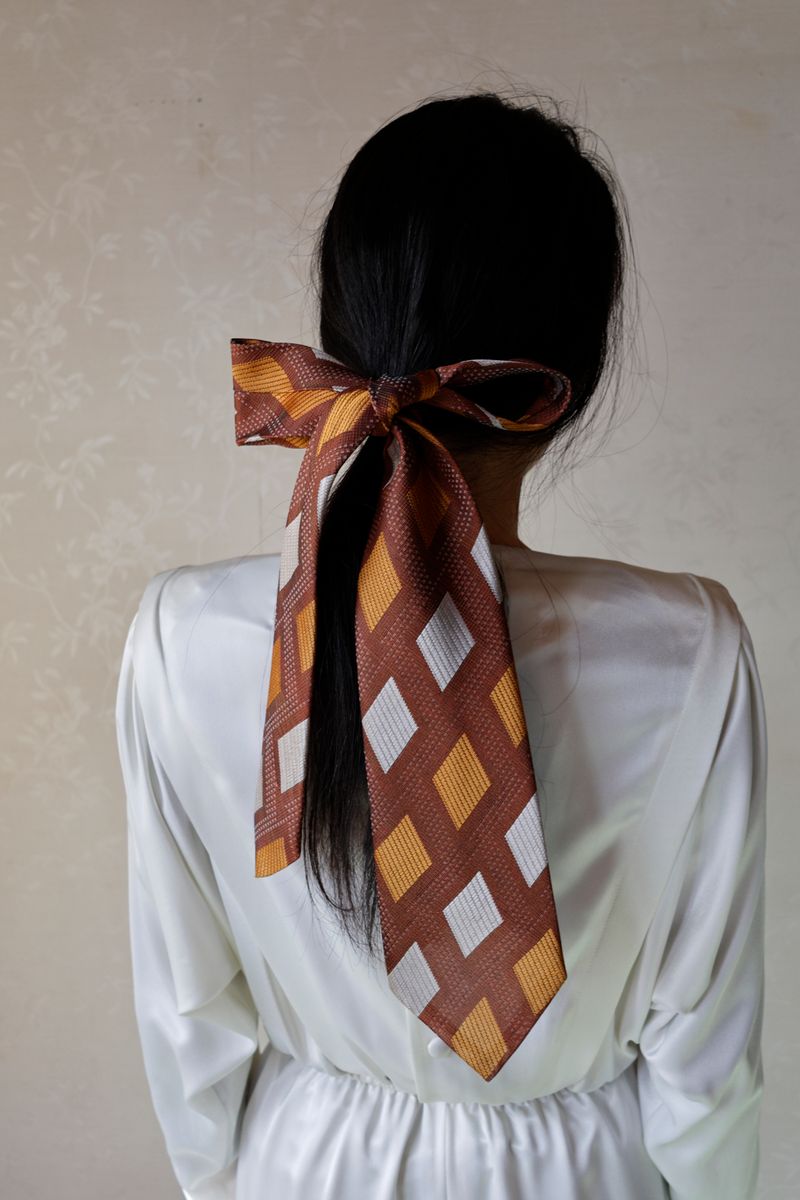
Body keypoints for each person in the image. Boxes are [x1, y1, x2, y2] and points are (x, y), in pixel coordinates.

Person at [115, 90, 767, 1199]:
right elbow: (705, 1060)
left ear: (337, 340)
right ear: (567, 381)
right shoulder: (686, 651)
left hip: (299, 1167)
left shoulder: (182, 639)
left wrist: (221, 1181)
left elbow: (187, 1016)